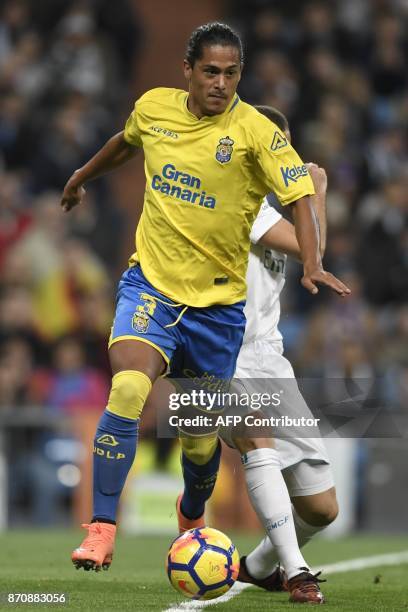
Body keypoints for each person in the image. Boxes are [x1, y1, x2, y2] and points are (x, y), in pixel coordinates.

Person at [61, 22, 349, 602]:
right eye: (211, 71)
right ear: (189, 69)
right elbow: (126, 140)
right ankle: (103, 527)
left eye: (231, 73)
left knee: (227, 458)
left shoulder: (254, 140)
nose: (220, 83)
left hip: (226, 326)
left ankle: (217, 532)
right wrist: (82, 175)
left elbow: (299, 209)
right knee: (129, 390)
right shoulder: (162, 115)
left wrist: (315, 259)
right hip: (157, 294)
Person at [226, 106, 337, 600]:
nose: (281, 157)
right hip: (221, 351)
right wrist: (315, 193)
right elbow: (306, 244)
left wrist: (314, 199)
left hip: (270, 358)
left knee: (321, 508)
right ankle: (296, 572)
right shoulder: (239, 198)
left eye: (285, 147)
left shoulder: (275, 207)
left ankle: (258, 565)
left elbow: (313, 257)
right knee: (257, 435)